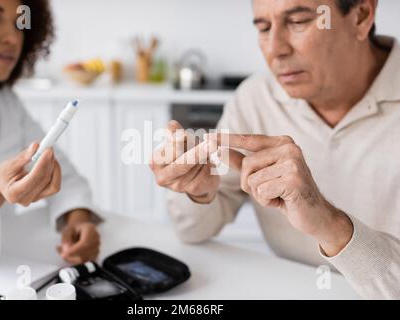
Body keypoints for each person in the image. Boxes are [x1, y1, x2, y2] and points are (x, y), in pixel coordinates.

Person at [150, 0, 400, 299]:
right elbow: (192, 231)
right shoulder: (255, 99)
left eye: (298, 22)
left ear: (361, 16)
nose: (275, 49)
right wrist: (196, 191)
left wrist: (330, 224)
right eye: (264, 28)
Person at [0, 0, 101, 264]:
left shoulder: (4, 103)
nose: (12, 37)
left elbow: (67, 177)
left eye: (20, 22)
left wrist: (77, 219)